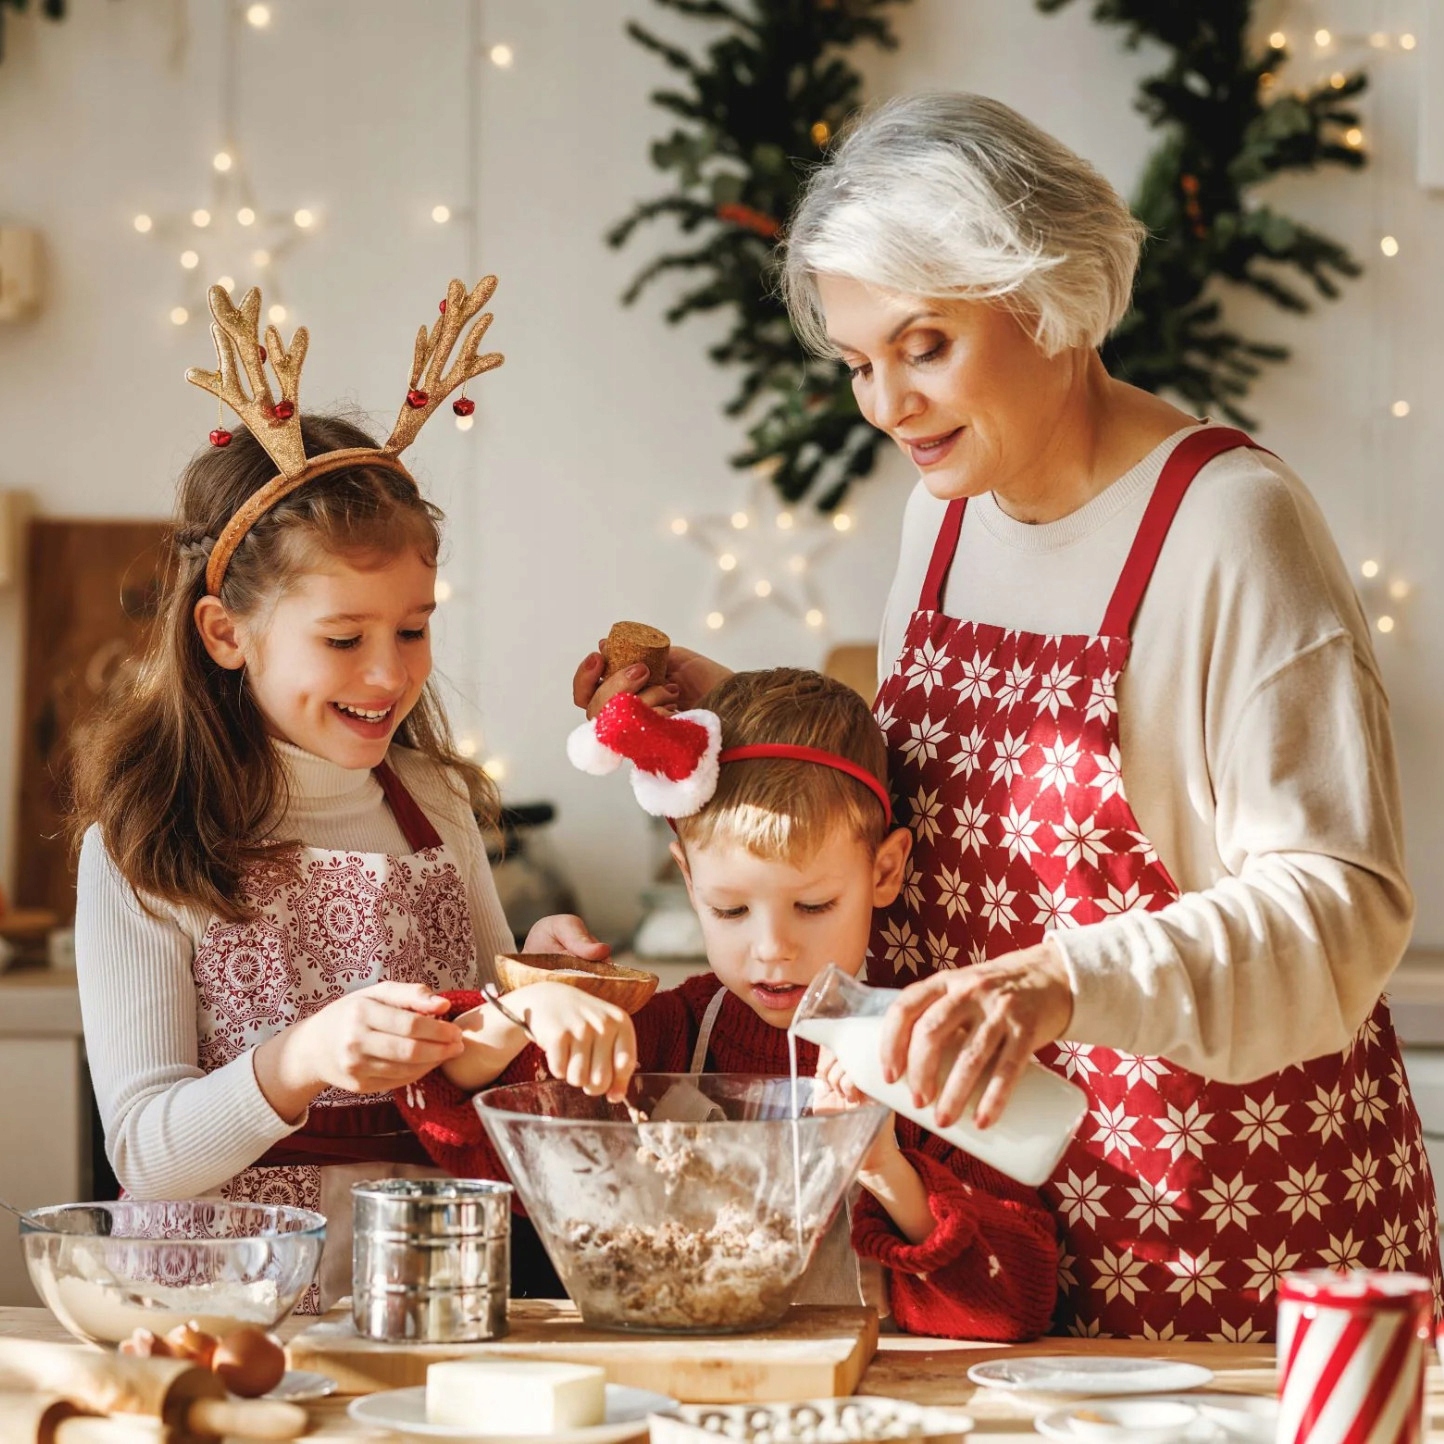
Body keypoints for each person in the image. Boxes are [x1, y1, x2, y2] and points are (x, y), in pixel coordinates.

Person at [575, 95, 1439, 1339]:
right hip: (977, 1230)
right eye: (860, 363)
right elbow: (956, 799)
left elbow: (1338, 903)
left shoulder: (1227, 525)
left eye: (923, 346)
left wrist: (1054, 982)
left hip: (1216, 1224)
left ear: (1046, 299)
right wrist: (739, 712)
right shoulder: (949, 510)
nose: (886, 405)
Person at [72, 281, 605, 1308]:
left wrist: (538, 983)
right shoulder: (147, 843)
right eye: (342, 638)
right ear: (227, 633)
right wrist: (308, 1054)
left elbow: (479, 1067)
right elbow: (145, 1148)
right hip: (223, 1313)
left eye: (411, 628)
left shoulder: (432, 800)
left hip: (429, 1294)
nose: (387, 674)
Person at [396, 669, 1058, 1340]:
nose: (771, 949)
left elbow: (1017, 1301)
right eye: (731, 908)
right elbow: (452, 1111)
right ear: (688, 880)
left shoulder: (924, 1053)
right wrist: (529, 1005)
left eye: (813, 905)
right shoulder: (665, 1037)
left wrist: (883, 1167)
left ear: (884, 872)